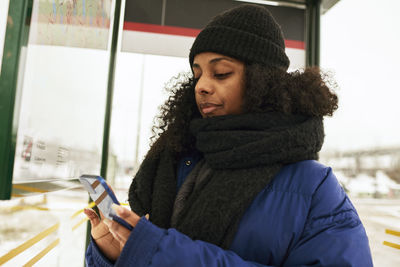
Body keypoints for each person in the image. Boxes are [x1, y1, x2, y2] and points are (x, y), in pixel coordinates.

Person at [84, 4, 373, 266]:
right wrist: (111, 254)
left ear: (262, 81)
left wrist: (164, 254)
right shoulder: (173, 161)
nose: (202, 86)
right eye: (197, 75)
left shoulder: (315, 190)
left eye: (221, 73)